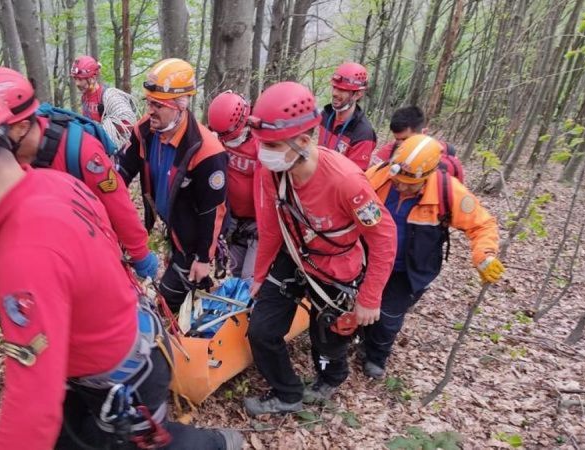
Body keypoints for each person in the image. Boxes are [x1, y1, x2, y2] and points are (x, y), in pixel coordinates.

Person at [0, 70, 243, 450]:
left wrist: (147, 254)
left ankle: (217, 445)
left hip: (120, 378)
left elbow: (32, 403)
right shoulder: (57, 184)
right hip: (126, 351)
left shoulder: (24, 251)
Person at [242, 81, 397, 416]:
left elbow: (383, 236)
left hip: (336, 266)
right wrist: (260, 275)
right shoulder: (273, 171)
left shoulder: (346, 181)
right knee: (261, 330)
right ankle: (287, 393)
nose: (263, 152)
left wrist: (370, 296)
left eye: (271, 144)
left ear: (302, 141)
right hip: (295, 256)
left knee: (328, 338)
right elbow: (270, 227)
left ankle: (330, 376)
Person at [0, 67, 158, 281]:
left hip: (93, 255)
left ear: (22, 127)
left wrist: (140, 254)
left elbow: (116, 203)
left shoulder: (82, 152)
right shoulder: (4, 162)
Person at [362, 134, 503, 379]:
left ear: (428, 175)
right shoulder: (378, 176)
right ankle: (360, 338)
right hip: (370, 259)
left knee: (388, 316)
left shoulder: (448, 191)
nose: (401, 187)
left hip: (410, 268)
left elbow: (482, 224)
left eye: (409, 184)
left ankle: (376, 356)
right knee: (361, 302)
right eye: (398, 181)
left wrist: (484, 256)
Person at [118, 58, 228, 312]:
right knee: (178, 291)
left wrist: (203, 257)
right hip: (172, 223)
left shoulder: (206, 151)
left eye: (158, 105)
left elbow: (213, 210)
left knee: (168, 298)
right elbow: (124, 170)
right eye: (148, 102)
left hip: (194, 234)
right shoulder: (145, 131)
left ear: (180, 106)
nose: (150, 111)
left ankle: (194, 313)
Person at [207, 91, 258, 280]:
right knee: (236, 273)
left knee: (250, 277)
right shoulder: (218, 140)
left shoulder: (261, 143)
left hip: (259, 222)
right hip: (234, 219)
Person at [370, 105, 464, 181]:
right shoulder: (387, 152)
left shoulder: (445, 157)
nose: (400, 145)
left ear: (424, 132)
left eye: (405, 139)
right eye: (396, 139)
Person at [71, 55, 139, 152]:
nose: (77, 83)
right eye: (75, 79)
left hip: (116, 151)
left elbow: (128, 123)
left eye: (80, 79)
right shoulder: (84, 97)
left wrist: (101, 128)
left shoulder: (109, 96)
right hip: (96, 149)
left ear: (93, 77)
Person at [317, 62, 377, 170]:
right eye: (334, 87)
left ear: (358, 94)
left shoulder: (363, 134)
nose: (335, 93)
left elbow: (353, 177)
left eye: (342, 90)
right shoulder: (326, 115)